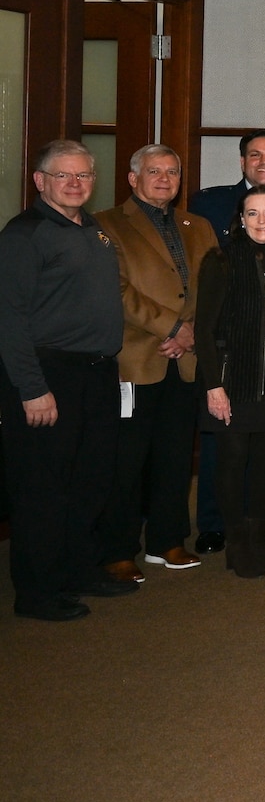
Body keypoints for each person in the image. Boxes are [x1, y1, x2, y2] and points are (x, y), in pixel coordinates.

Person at [0, 141, 133, 621]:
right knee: (43, 489)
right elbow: (9, 319)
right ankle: (37, 593)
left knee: (90, 481)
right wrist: (32, 388)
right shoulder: (25, 235)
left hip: (96, 374)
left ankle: (78, 571)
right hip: (48, 374)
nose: (76, 184)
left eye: (84, 176)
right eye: (64, 176)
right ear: (40, 181)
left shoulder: (91, 227)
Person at [94, 144, 219, 581]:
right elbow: (117, 289)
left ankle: (168, 541)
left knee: (174, 456)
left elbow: (213, 288)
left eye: (171, 172)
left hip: (184, 360)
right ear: (133, 178)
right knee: (126, 461)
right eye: (153, 171)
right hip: (135, 359)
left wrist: (190, 333)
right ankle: (118, 548)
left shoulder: (198, 225)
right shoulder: (106, 225)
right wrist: (171, 327)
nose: (164, 179)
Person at [194, 185, 265, 578]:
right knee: (232, 459)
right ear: (240, 220)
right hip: (232, 379)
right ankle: (237, 543)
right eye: (253, 213)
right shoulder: (221, 260)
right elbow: (203, 330)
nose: (262, 221)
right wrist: (213, 385)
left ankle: (258, 537)